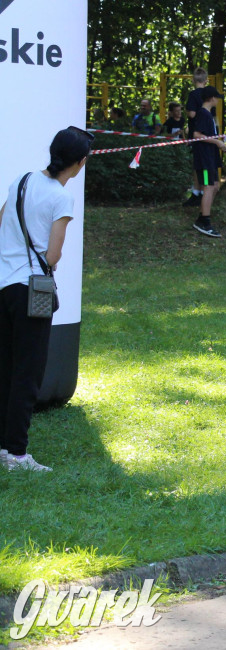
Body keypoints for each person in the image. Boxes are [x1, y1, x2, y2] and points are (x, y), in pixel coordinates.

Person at [0, 127, 92, 472]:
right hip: (32, 291)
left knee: (7, 366)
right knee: (28, 372)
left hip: (4, 284)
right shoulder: (60, 197)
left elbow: (2, 221)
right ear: (80, 163)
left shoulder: (22, 181)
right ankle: (16, 454)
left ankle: (4, 446)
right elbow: (53, 256)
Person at [192, 86, 226, 238]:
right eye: (216, 97)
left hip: (211, 158)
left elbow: (211, 137)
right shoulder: (203, 113)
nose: (217, 100)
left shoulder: (209, 114)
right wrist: (217, 143)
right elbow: (196, 135)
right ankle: (204, 221)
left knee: (215, 186)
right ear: (211, 98)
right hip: (204, 159)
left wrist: (223, 147)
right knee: (208, 187)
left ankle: (203, 214)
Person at [184, 67, 209, 207]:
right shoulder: (209, 95)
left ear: (193, 80)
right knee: (204, 165)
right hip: (208, 134)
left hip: (197, 135)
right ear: (206, 81)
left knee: (197, 165)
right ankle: (202, 189)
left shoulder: (193, 95)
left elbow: (192, 114)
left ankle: (198, 191)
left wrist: (188, 111)